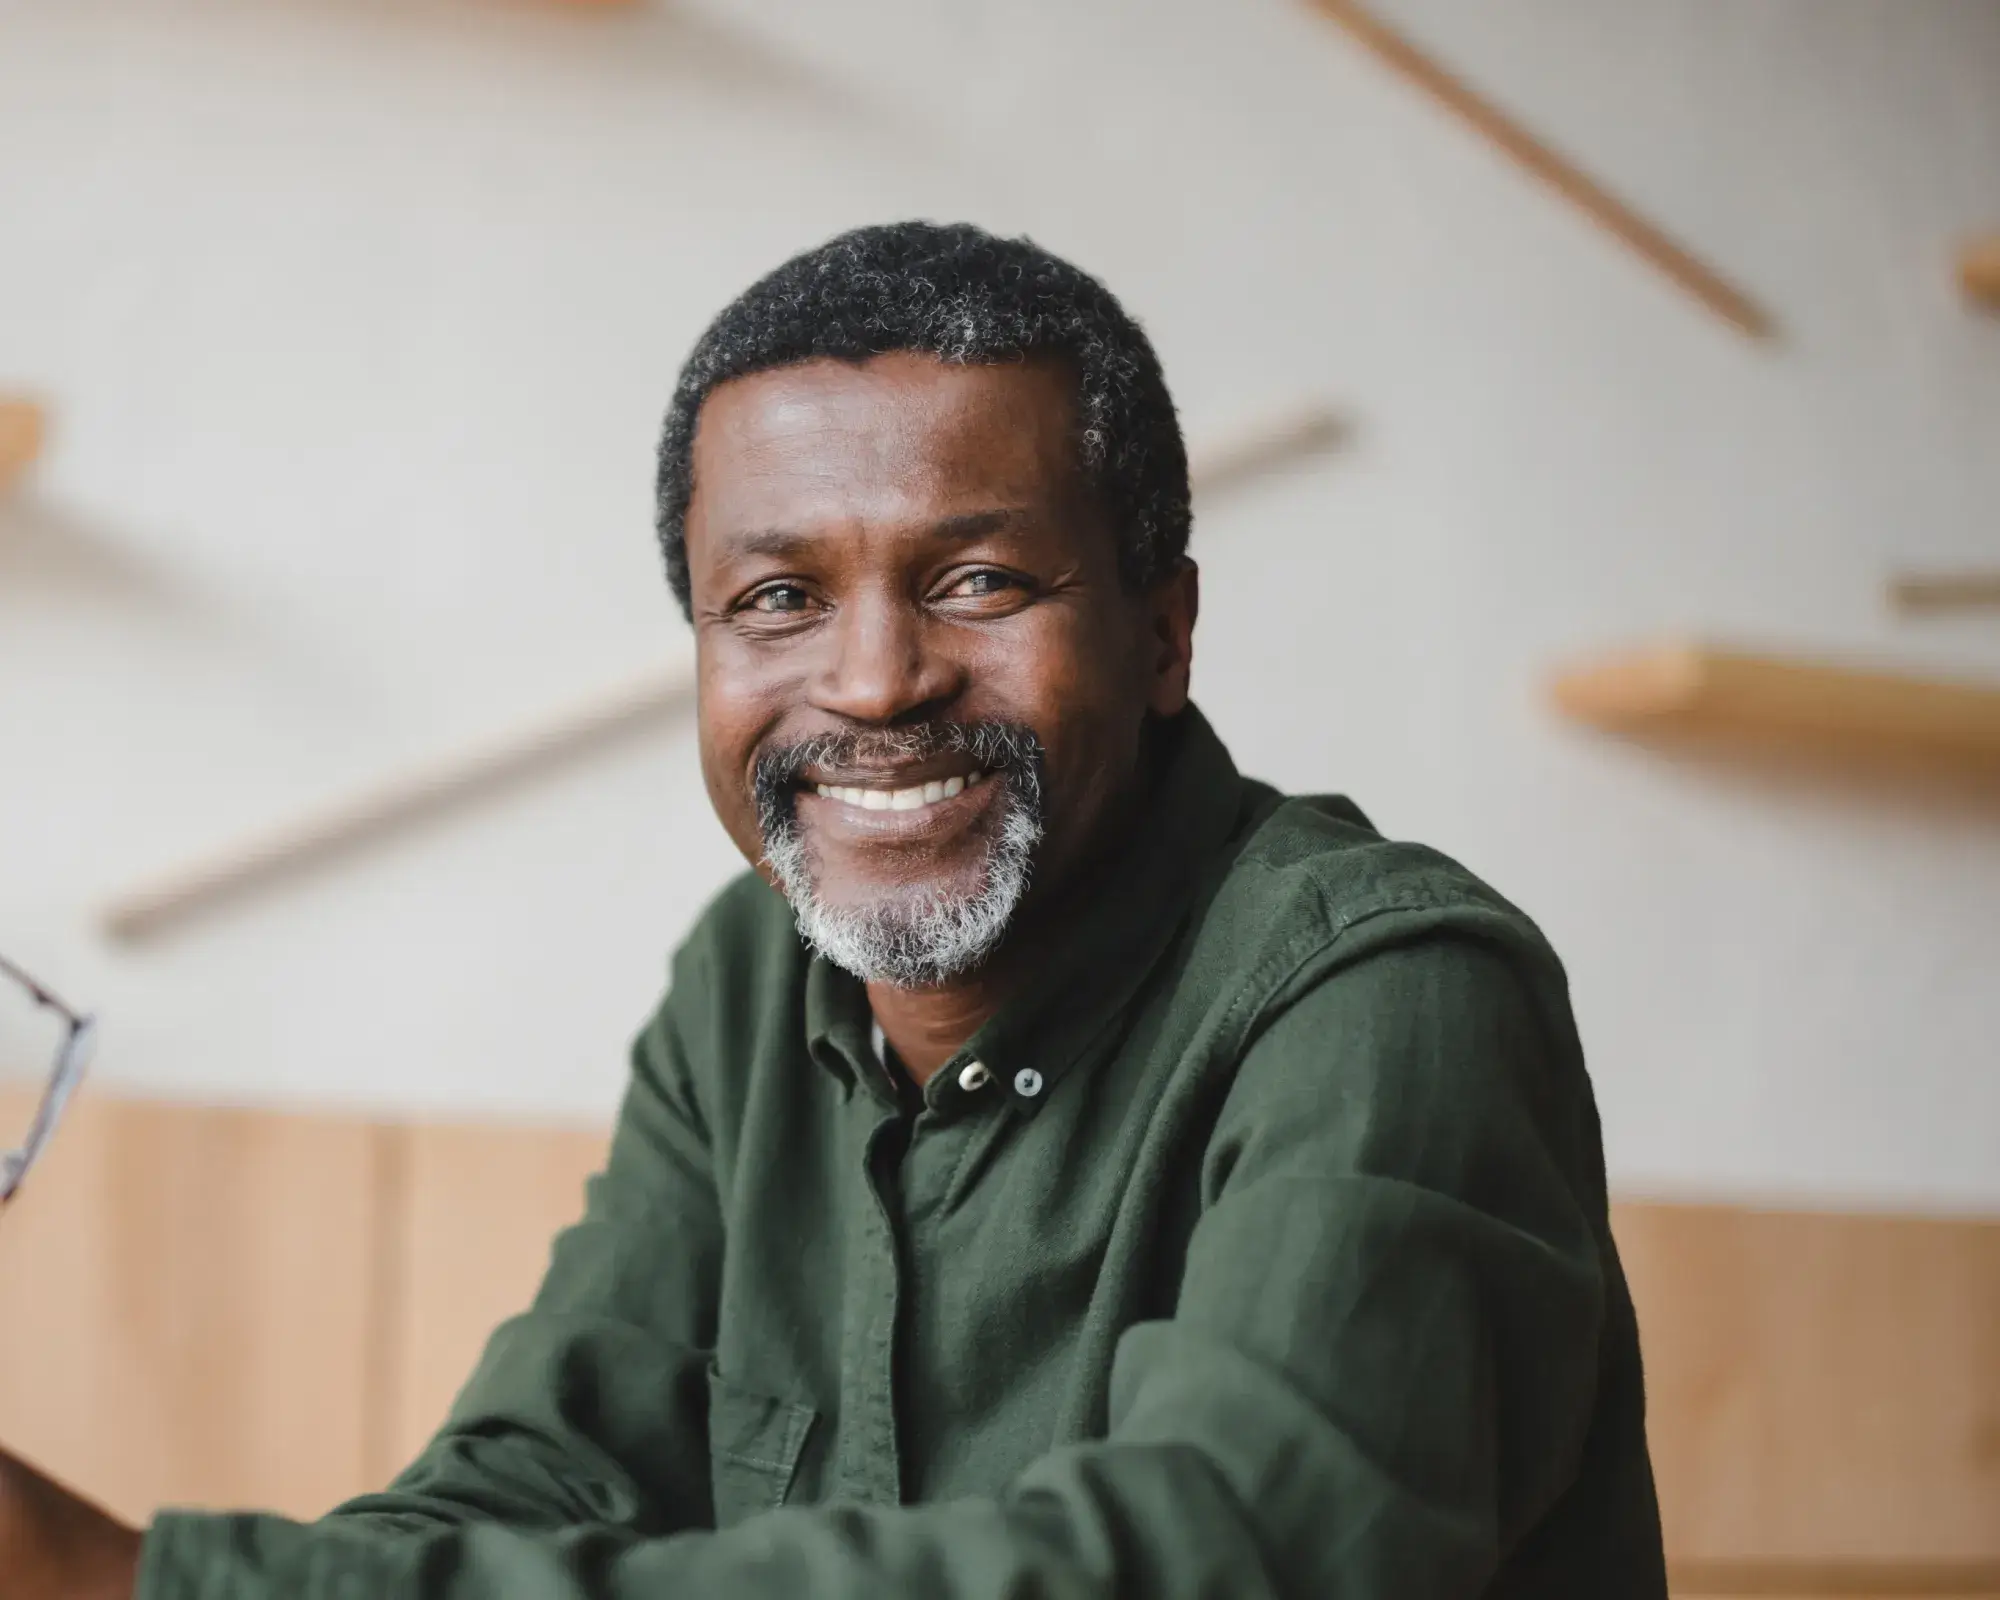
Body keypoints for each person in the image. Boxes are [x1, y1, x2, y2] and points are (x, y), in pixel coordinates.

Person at [0, 221, 1668, 1598]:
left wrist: (132, 1578)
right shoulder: (751, 980)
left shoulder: (1387, 994)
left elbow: (1221, 1561)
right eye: (779, 598)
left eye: (980, 581)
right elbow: (535, 1475)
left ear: (1164, 634)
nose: (874, 682)